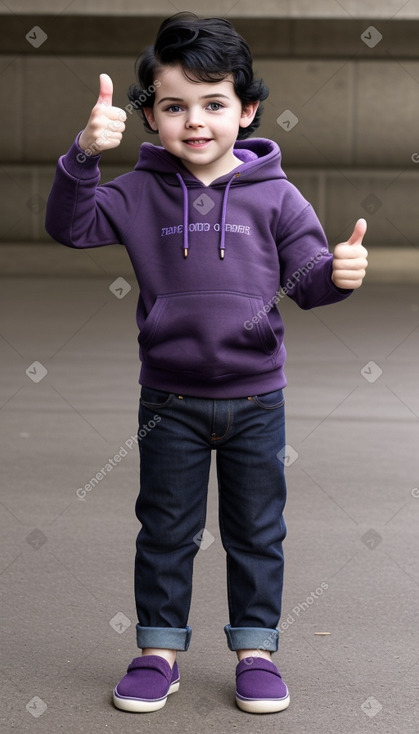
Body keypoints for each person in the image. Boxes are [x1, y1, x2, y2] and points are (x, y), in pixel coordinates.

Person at [45, 12, 368, 715]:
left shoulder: (276, 196)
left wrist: (338, 275)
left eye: (214, 103)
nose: (195, 121)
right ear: (150, 117)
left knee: (257, 530)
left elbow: (308, 282)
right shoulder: (135, 192)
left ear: (246, 109)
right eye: (173, 106)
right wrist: (82, 155)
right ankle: (157, 653)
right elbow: (70, 228)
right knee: (165, 528)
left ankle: (255, 651)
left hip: (257, 401)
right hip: (169, 401)